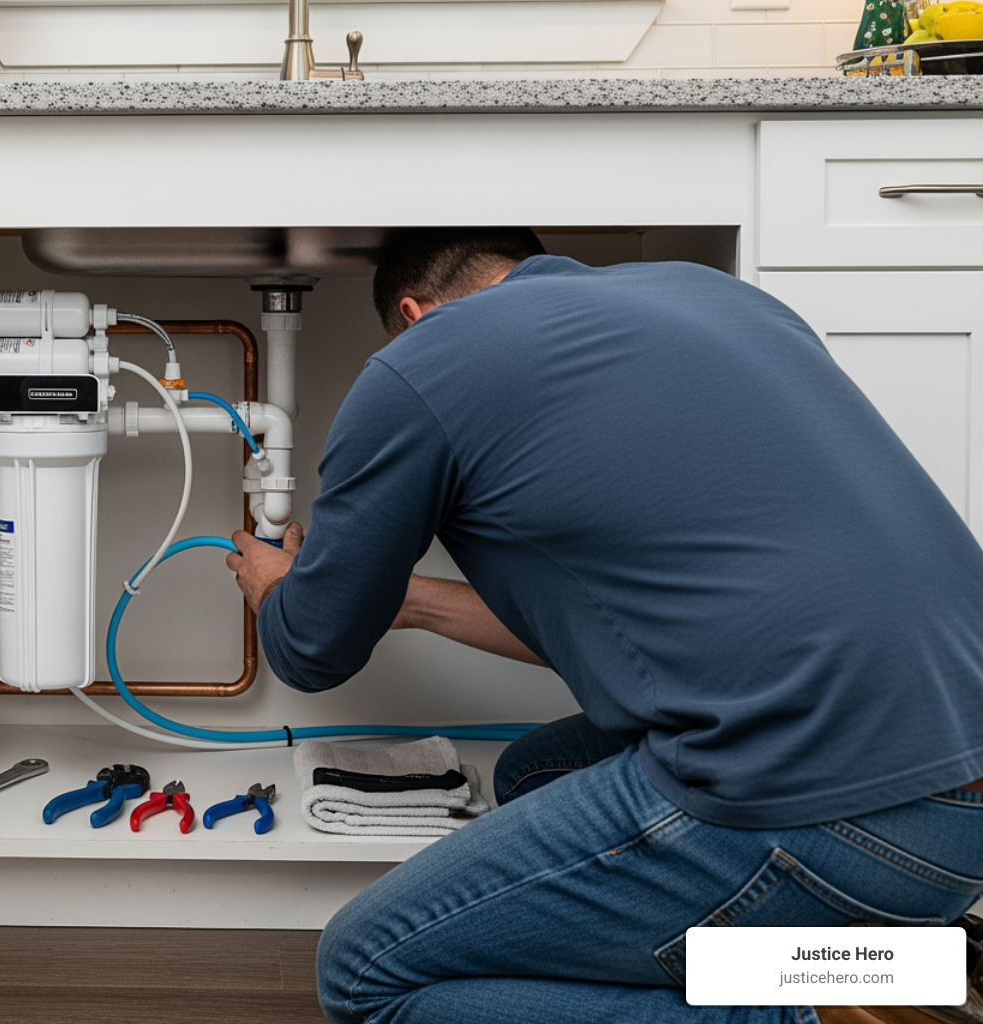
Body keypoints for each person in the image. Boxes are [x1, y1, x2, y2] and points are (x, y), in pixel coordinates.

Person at [225, 228, 983, 1024]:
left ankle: (818, 1013)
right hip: (958, 794)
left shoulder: (423, 360)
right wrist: (408, 601)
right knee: (535, 773)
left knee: (364, 972)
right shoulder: (720, 299)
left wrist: (278, 590)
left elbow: (311, 650)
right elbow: (621, 629)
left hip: (818, 806)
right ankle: (877, 969)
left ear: (414, 317)